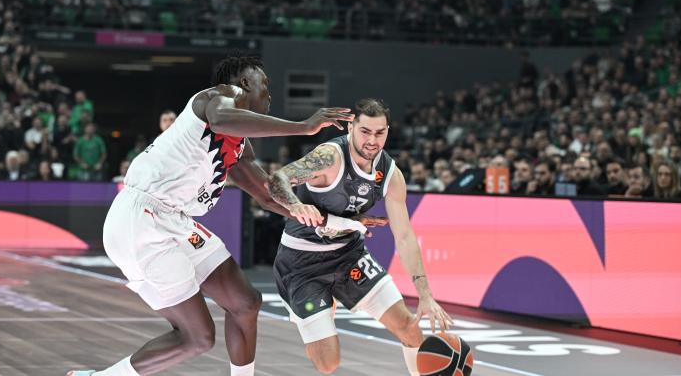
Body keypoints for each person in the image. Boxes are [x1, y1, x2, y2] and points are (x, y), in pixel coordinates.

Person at [67, 54, 354, 376]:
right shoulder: (219, 96)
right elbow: (220, 120)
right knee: (197, 338)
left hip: (175, 220)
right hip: (141, 221)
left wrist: (332, 221)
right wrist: (303, 127)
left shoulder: (239, 145)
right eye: (265, 84)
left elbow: (267, 195)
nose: (269, 94)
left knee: (245, 302)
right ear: (244, 83)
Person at [267, 98, 452, 376]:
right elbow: (276, 179)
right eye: (365, 131)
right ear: (351, 127)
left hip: (349, 256)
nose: (372, 140)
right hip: (302, 263)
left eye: (380, 133)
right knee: (327, 363)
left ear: (388, 131)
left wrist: (425, 295)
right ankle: (314, 314)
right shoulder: (329, 157)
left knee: (410, 328)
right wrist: (295, 204)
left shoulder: (390, 174)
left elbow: (404, 236)